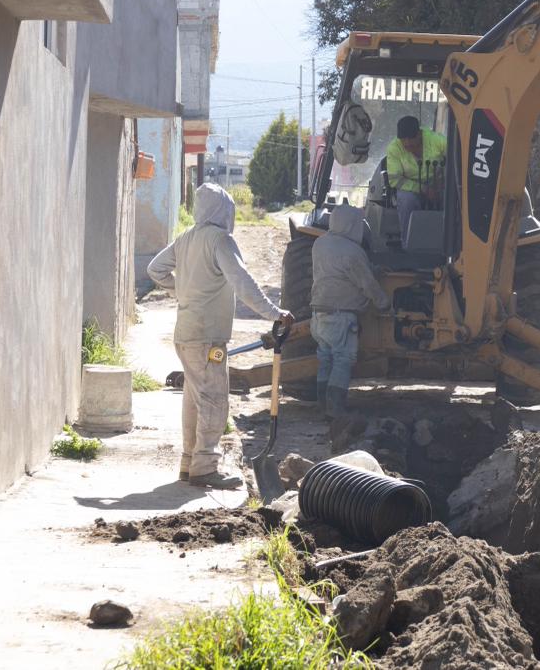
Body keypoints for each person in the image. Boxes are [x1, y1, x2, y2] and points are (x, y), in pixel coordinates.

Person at [148, 183, 292, 489]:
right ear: (225, 210)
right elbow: (242, 282)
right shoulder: (221, 240)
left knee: (194, 399)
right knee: (214, 399)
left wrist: (181, 289)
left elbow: (155, 269)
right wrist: (274, 313)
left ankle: (189, 462)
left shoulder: (186, 237)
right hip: (207, 338)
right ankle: (205, 467)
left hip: (185, 334)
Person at [310, 204, 390, 417]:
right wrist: (384, 303)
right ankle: (335, 409)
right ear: (352, 225)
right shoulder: (353, 251)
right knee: (343, 359)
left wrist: (371, 269)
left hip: (318, 314)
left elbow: (337, 269)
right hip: (341, 317)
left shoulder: (320, 243)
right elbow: (366, 284)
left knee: (325, 358)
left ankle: (322, 405)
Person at [385, 115, 446, 239]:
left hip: (438, 183)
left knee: (452, 197)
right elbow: (395, 180)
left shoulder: (437, 141)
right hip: (409, 186)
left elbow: (458, 156)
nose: (408, 145)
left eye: (412, 141)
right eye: (404, 142)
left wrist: (444, 178)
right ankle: (408, 242)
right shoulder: (393, 149)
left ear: (420, 134)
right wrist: (423, 189)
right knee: (406, 200)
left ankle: (449, 239)